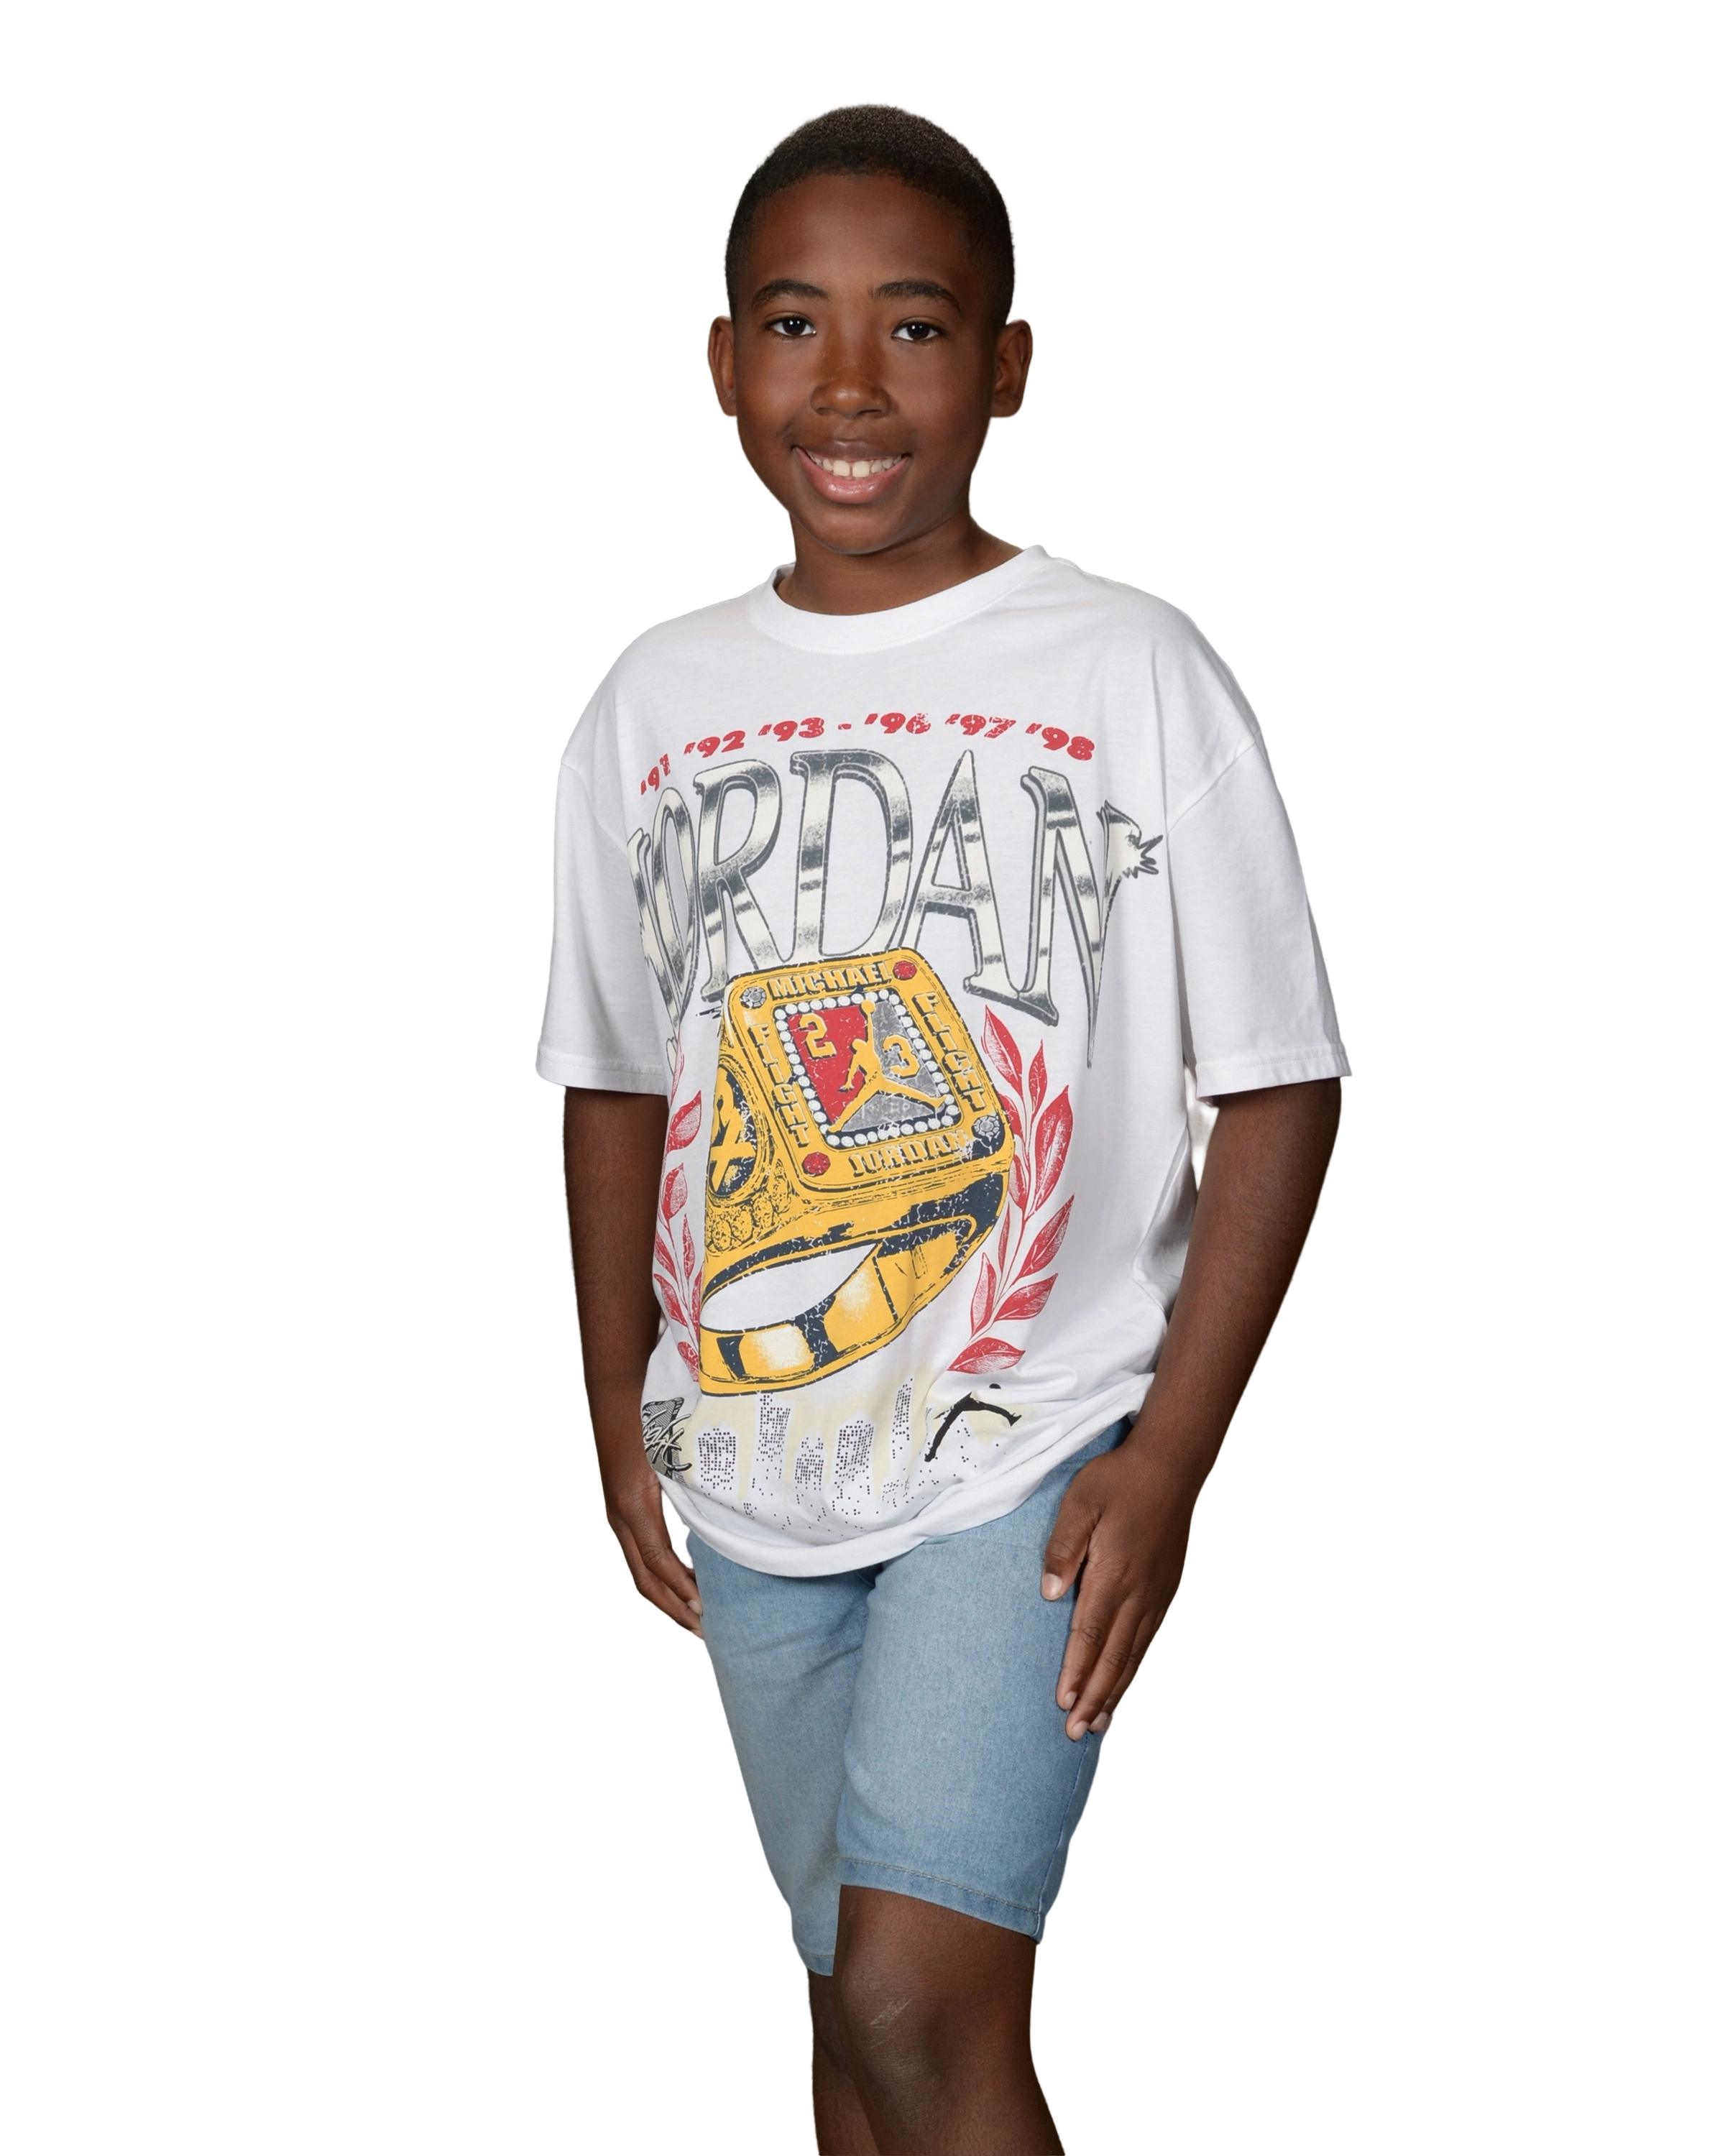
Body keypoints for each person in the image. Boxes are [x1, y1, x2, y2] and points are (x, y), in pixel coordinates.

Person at [537, 100, 1351, 2156]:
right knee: (844, 2013)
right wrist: (618, 1400)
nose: (849, 384)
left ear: (1011, 366)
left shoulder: (1132, 666)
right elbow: (615, 1072)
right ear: (719, 363)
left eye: (914, 327)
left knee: (920, 2000)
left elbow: (1279, 1079)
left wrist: (1172, 1458)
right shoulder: (647, 702)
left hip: (1032, 1438)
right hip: (753, 1457)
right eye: (792, 323)